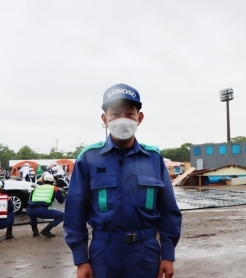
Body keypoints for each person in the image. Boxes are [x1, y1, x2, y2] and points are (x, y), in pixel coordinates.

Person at [63, 83, 182, 278]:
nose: (123, 120)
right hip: (104, 253)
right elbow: (75, 214)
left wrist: (168, 254)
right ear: (105, 119)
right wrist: (81, 260)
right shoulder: (88, 158)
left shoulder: (153, 158)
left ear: (139, 118)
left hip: (146, 253)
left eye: (129, 113)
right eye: (115, 114)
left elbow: (169, 211)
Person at [27, 173, 65, 238]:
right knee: (62, 216)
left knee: (33, 215)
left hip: (30, 210)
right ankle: (46, 230)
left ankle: (35, 231)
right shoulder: (54, 188)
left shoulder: (36, 188)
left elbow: (30, 200)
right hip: (42, 210)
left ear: (43, 181)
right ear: (53, 181)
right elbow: (61, 200)